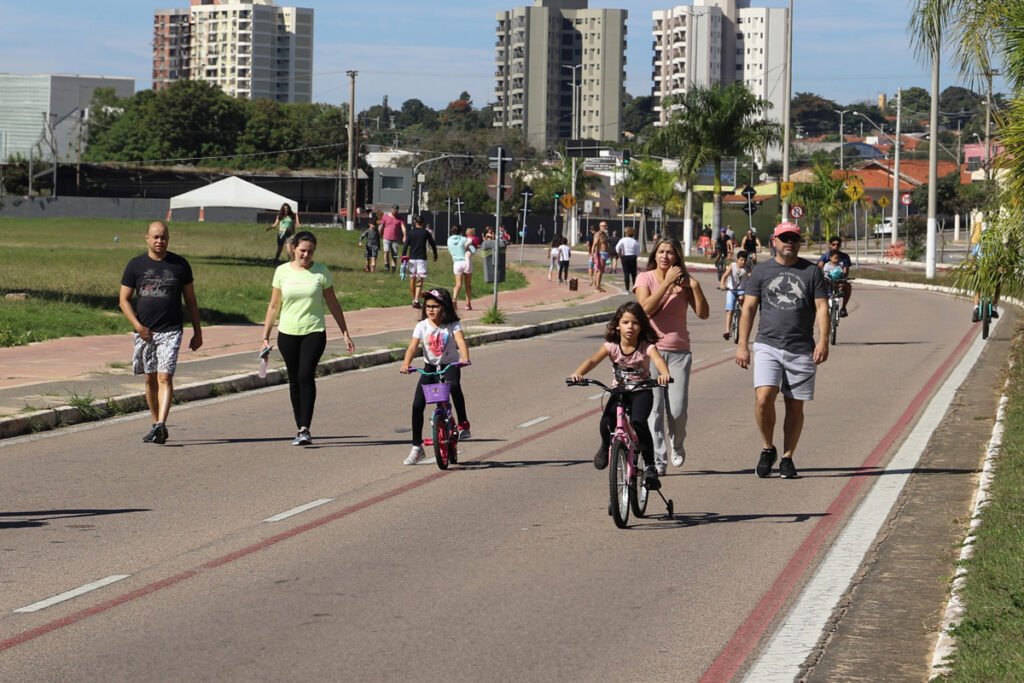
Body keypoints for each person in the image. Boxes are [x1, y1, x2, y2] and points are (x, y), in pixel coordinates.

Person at [735, 222, 829, 480]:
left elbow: (822, 307)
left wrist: (823, 340)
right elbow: (749, 309)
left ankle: (787, 457)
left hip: (801, 348)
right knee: (764, 398)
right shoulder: (762, 271)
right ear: (773, 242)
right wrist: (743, 344)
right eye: (784, 238)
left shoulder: (811, 272)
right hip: (768, 344)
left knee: (794, 406)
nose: (790, 242)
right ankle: (768, 448)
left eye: (794, 238)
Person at [261, 231, 355, 446]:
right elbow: (274, 305)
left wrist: (345, 332)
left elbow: (333, 303)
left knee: (305, 375)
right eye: (302, 250)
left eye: (310, 252)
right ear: (293, 248)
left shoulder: (321, 272)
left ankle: (305, 427)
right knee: (294, 379)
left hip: (314, 331)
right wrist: (265, 337)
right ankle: (299, 427)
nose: (306, 255)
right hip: (287, 333)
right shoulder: (282, 272)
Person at [570, 301, 671, 491]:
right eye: (625, 322)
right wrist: (579, 373)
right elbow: (592, 359)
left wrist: (664, 374)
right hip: (620, 391)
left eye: (635, 323)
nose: (630, 327)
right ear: (617, 324)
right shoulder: (612, 346)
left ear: (641, 326)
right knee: (606, 422)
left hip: (641, 391)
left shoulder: (646, 346)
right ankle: (605, 446)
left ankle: (650, 466)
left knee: (639, 422)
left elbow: (658, 360)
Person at [119, 220, 203, 445]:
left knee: (165, 376)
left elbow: (191, 302)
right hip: (145, 332)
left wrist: (197, 331)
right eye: (155, 237)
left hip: (171, 331)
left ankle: (161, 424)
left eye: (164, 237)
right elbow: (124, 300)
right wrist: (137, 326)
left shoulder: (180, 265)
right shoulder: (135, 265)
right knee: (150, 378)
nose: (160, 241)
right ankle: (155, 424)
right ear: (146, 238)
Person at [634, 237, 710, 474]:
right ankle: (659, 458)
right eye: (661, 252)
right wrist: (666, 283)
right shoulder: (644, 278)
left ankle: (677, 444)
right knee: (654, 410)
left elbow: (704, 314)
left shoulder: (685, 284)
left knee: (676, 410)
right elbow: (644, 309)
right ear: (654, 255)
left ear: (677, 257)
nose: (665, 256)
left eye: (670, 253)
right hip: (650, 352)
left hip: (678, 353)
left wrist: (694, 287)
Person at [399, 288, 471, 465]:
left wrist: (464, 357)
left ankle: (463, 423)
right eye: (428, 306)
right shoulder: (422, 326)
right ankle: (417, 447)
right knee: (417, 405)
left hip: (450, 365)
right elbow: (412, 347)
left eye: (435, 306)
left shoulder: (452, 325)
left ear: (444, 307)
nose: (430, 310)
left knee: (454, 386)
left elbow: (460, 341)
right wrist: (405, 363)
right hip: (430, 368)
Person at [403, 216, 438, 307]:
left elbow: (406, 245)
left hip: (412, 258)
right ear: (422, 223)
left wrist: (403, 256)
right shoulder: (425, 232)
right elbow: (432, 243)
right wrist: (435, 254)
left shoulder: (410, 233)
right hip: (421, 258)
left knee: (412, 278)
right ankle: (416, 299)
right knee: (420, 279)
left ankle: (413, 298)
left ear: (415, 222)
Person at [816, 236, 852, 317]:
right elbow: (819, 266)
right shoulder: (826, 256)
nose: (836, 246)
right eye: (833, 244)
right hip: (827, 280)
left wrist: (843, 277)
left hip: (839, 280)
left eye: (838, 245)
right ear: (830, 245)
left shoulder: (845, 257)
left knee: (848, 286)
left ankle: (843, 308)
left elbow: (846, 271)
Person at [720, 250, 750, 340]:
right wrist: (722, 285)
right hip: (731, 290)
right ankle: (727, 331)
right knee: (730, 310)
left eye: (745, 260)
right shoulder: (732, 266)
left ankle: (743, 328)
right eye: (741, 260)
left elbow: (752, 277)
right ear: (737, 259)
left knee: (745, 309)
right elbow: (724, 276)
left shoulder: (747, 268)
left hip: (742, 291)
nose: (743, 262)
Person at [448, 224, 476, 310]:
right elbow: (473, 250)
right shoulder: (464, 239)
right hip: (466, 261)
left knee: (458, 284)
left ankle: (454, 300)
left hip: (457, 263)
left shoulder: (449, 240)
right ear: (461, 231)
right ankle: (468, 304)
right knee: (468, 285)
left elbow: (450, 251)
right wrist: (467, 248)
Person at [379, 205, 407, 273]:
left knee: (394, 254)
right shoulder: (385, 216)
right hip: (386, 237)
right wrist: (379, 232)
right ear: (391, 209)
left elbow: (403, 227)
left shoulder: (400, 218)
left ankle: (393, 268)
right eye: (394, 210)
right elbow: (381, 226)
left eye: (396, 211)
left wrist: (404, 236)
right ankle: (386, 265)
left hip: (395, 239)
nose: (395, 212)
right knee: (386, 251)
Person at [615, 226, 640, 291]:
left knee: (626, 273)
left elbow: (617, 247)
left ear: (626, 233)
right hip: (632, 257)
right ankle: (635, 288)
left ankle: (627, 289)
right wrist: (635, 256)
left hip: (625, 256)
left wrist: (619, 254)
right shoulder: (635, 241)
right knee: (634, 273)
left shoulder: (622, 240)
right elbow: (638, 251)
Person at [591, 222, 610, 292]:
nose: (605, 227)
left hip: (605, 254)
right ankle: (597, 286)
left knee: (600, 271)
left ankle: (598, 285)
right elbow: (594, 244)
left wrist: (609, 253)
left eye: (606, 226)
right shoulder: (598, 234)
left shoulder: (605, 234)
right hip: (599, 254)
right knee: (599, 270)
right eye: (603, 226)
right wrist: (592, 254)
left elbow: (606, 245)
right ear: (600, 226)